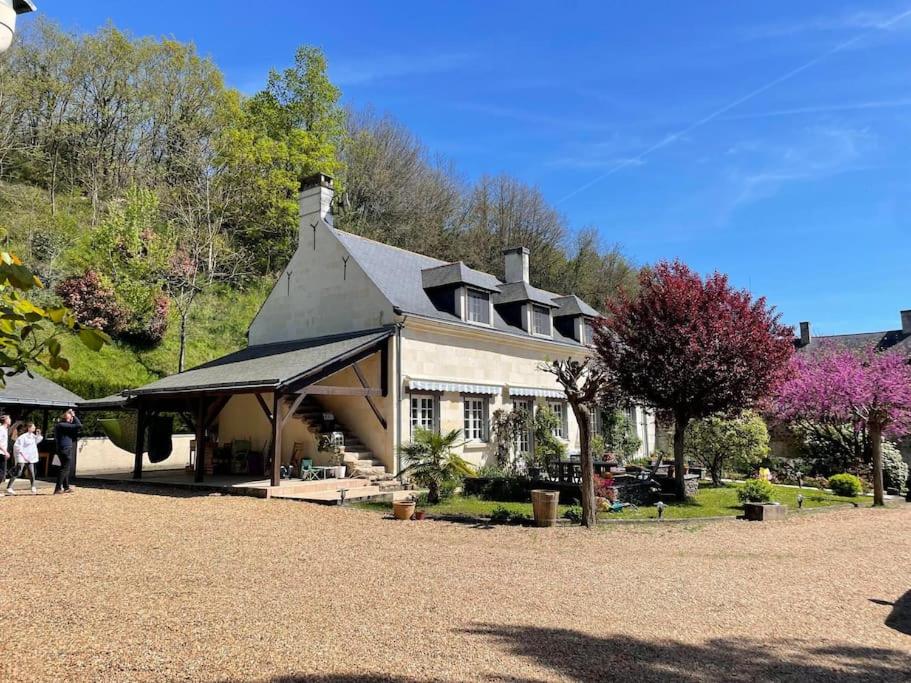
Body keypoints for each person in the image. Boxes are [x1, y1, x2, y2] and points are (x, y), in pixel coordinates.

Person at [6, 421, 42, 495]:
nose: (34, 428)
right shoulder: (23, 437)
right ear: (29, 428)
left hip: (29, 457)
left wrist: (38, 434)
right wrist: (21, 455)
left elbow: (37, 441)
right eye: (33, 427)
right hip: (22, 456)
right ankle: (9, 487)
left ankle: (32, 486)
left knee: (31, 472)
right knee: (18, 472)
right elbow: (17, 446)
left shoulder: (33, 436)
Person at [54, 409, 81, 494]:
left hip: (64, 448)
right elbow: (78, 425)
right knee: (64, 468)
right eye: (70, 418)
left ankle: (66, 487)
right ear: (67, 419)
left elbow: (75, 426)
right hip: (65, 449)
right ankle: (58, 488)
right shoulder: (62, 425)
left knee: (66, 468)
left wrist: (71, 416)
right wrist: (73, 415)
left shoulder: (63, 425)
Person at [0, 415, 10, 492]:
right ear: (6, 420)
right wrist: (5, 452)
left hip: (2, 453)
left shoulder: (5, 429)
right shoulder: (1, 429)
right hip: (1, 453)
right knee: (1, 473)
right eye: (9, 419)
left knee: (2, 473)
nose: (10, 420)